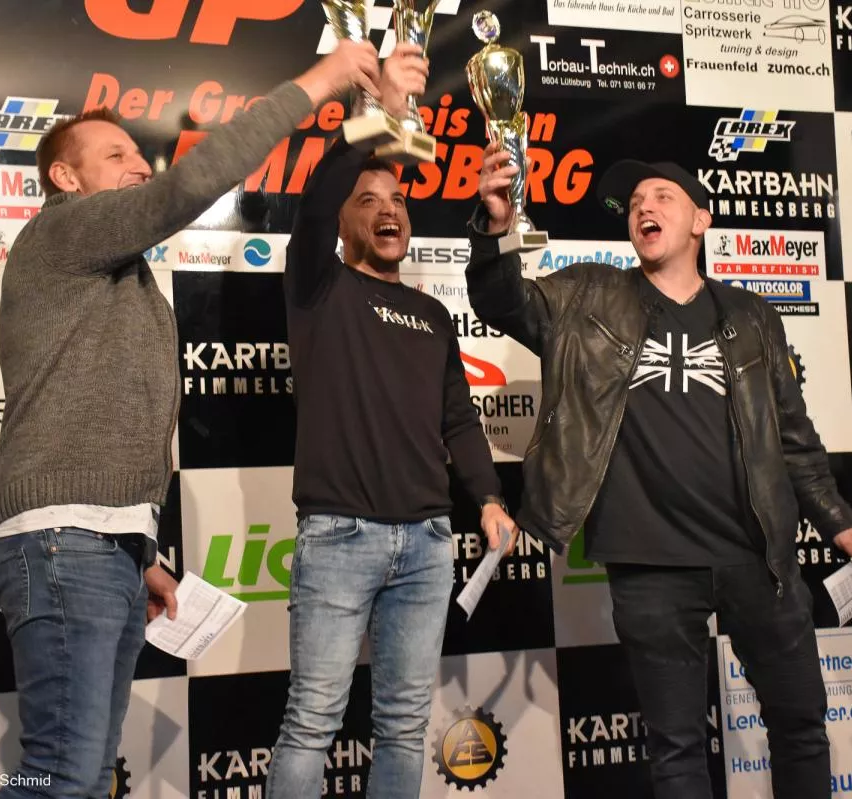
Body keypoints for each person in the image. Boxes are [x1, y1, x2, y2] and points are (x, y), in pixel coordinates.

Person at [0, 41, 383, 799]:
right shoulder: (64, 229)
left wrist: (139, 550)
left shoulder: (115, 272)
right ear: (65, 178)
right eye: (117, 155)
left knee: (84, 776)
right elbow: (191, 182)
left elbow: (98, 414)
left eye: (140, 154)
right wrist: (320, 81)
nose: (140, 165)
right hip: (62, 539)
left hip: (99, 542)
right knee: (61, 776)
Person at [464, 148, 852, 798]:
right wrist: (494, 227)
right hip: (649, 563)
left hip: (757, 557)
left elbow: (792, 436)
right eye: (635, 204)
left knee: (800, 725)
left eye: (662, 197)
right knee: (677, 746)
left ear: (700, 221)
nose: (644, 209)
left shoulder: (751, 315)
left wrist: (835, 516)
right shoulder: (588, 295)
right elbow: (502, 300)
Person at [264, 43, 517, 799]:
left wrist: (489, 498)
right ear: (342, 223)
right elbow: (315, 199)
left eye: (398, 200)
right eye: (367, 200)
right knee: (312, 720)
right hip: (339, 536)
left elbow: (458, 419)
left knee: (405, 726)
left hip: (428, 543)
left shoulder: (432, 314)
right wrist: (381, 120)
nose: (388, 210)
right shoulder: (318, 287)